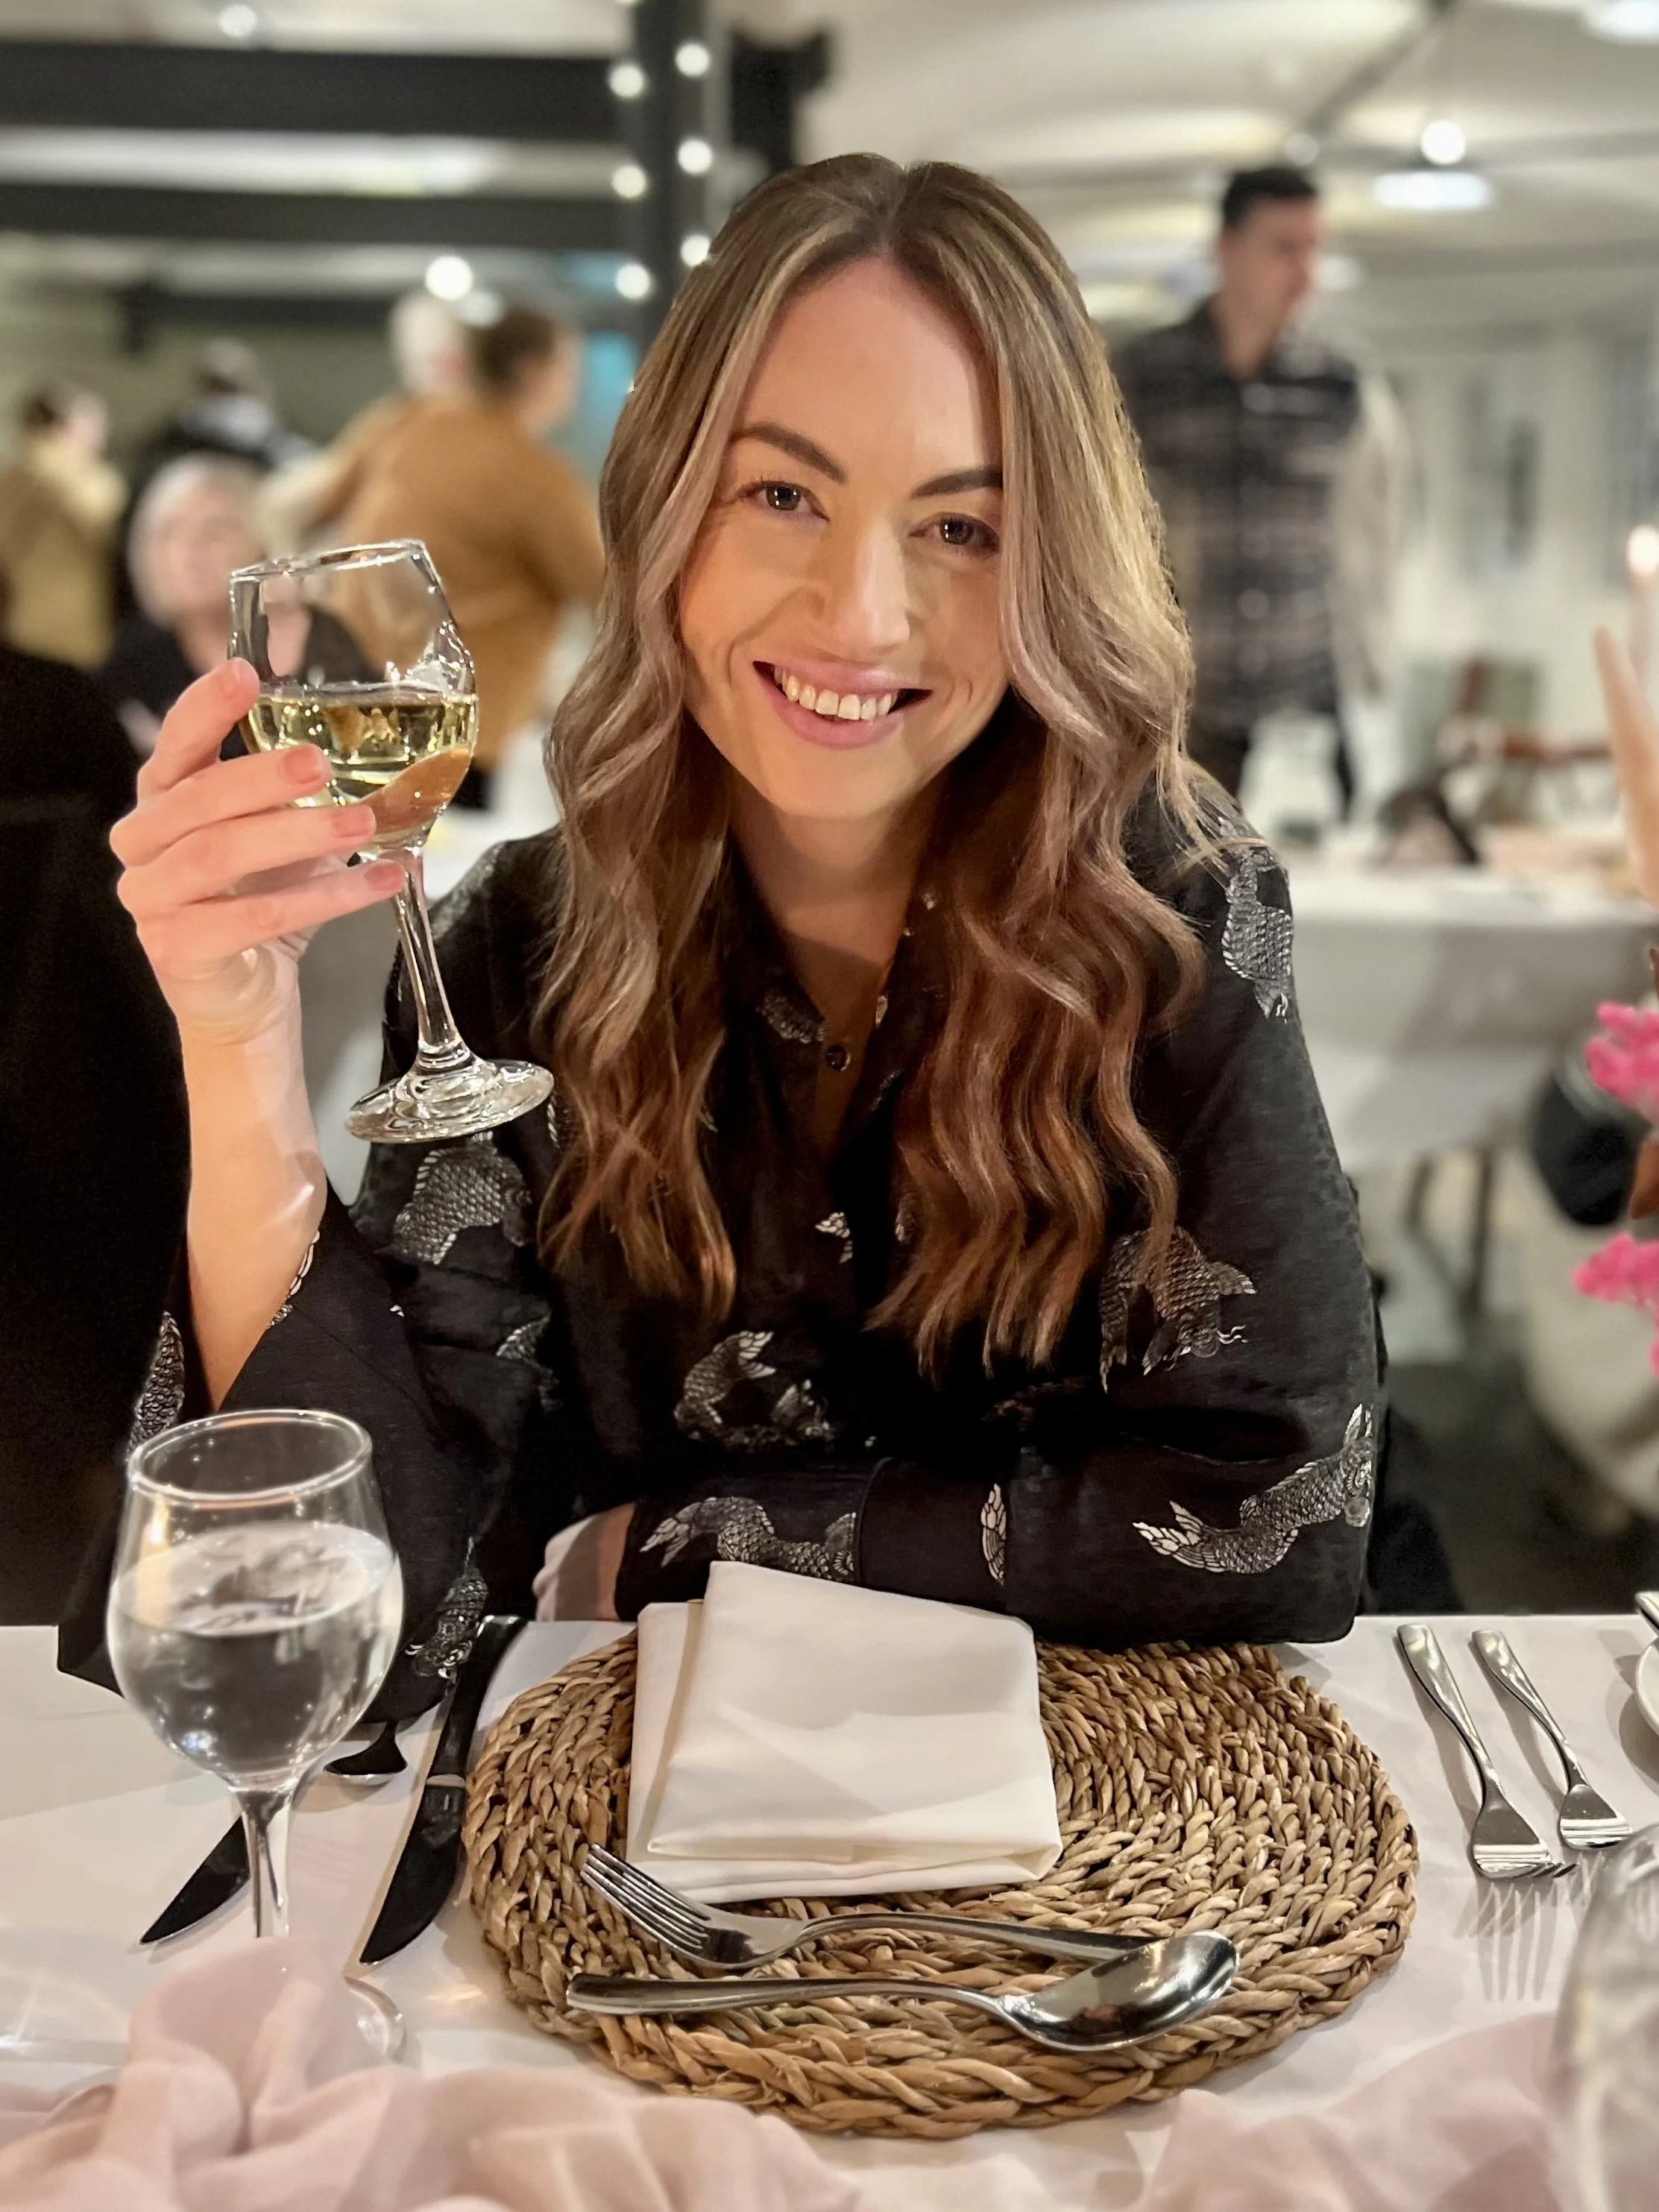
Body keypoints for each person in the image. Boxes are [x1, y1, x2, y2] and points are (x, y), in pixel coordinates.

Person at [74, 157, 1377, 1715]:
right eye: (780, 495)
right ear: (663, 510)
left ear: (1051, 565)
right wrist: (231, 1040)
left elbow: (1269, 1519)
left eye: (959, 528)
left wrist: (677, 1545)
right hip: (624, 1863)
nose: (862, 616)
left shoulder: (1172, 910)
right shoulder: (524, 945)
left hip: (1097, 1844)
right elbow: (376, 1576)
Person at [1114, 167, 1401, 807]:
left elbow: (1374, 534)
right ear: (1224, 250)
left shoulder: (1340, 384)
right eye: (1283, 247)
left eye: (1313, 249)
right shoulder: (1142, 377)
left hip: (1304, 701)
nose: (1304, 271)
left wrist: (1373, 668)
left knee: (1325, 896)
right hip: (1180, 705)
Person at [327, 304, 605, 806]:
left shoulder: (404, 423)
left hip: (352, 684)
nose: (575, 383)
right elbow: (610, 591)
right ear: (533, 370)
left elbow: (321, 499)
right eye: (569, 367)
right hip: (452, 721)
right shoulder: (533, 477)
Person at [99, 455, 265, 754]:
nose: (189, 550)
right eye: (169, 532)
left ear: (264, 543)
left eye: (215, 530)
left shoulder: (328, 651)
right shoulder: (130, 668)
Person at [0, 386, 125, 669]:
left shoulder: (10, 476)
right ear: (70, 426)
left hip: (24, 626)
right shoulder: (94, 481)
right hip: (82, 632)